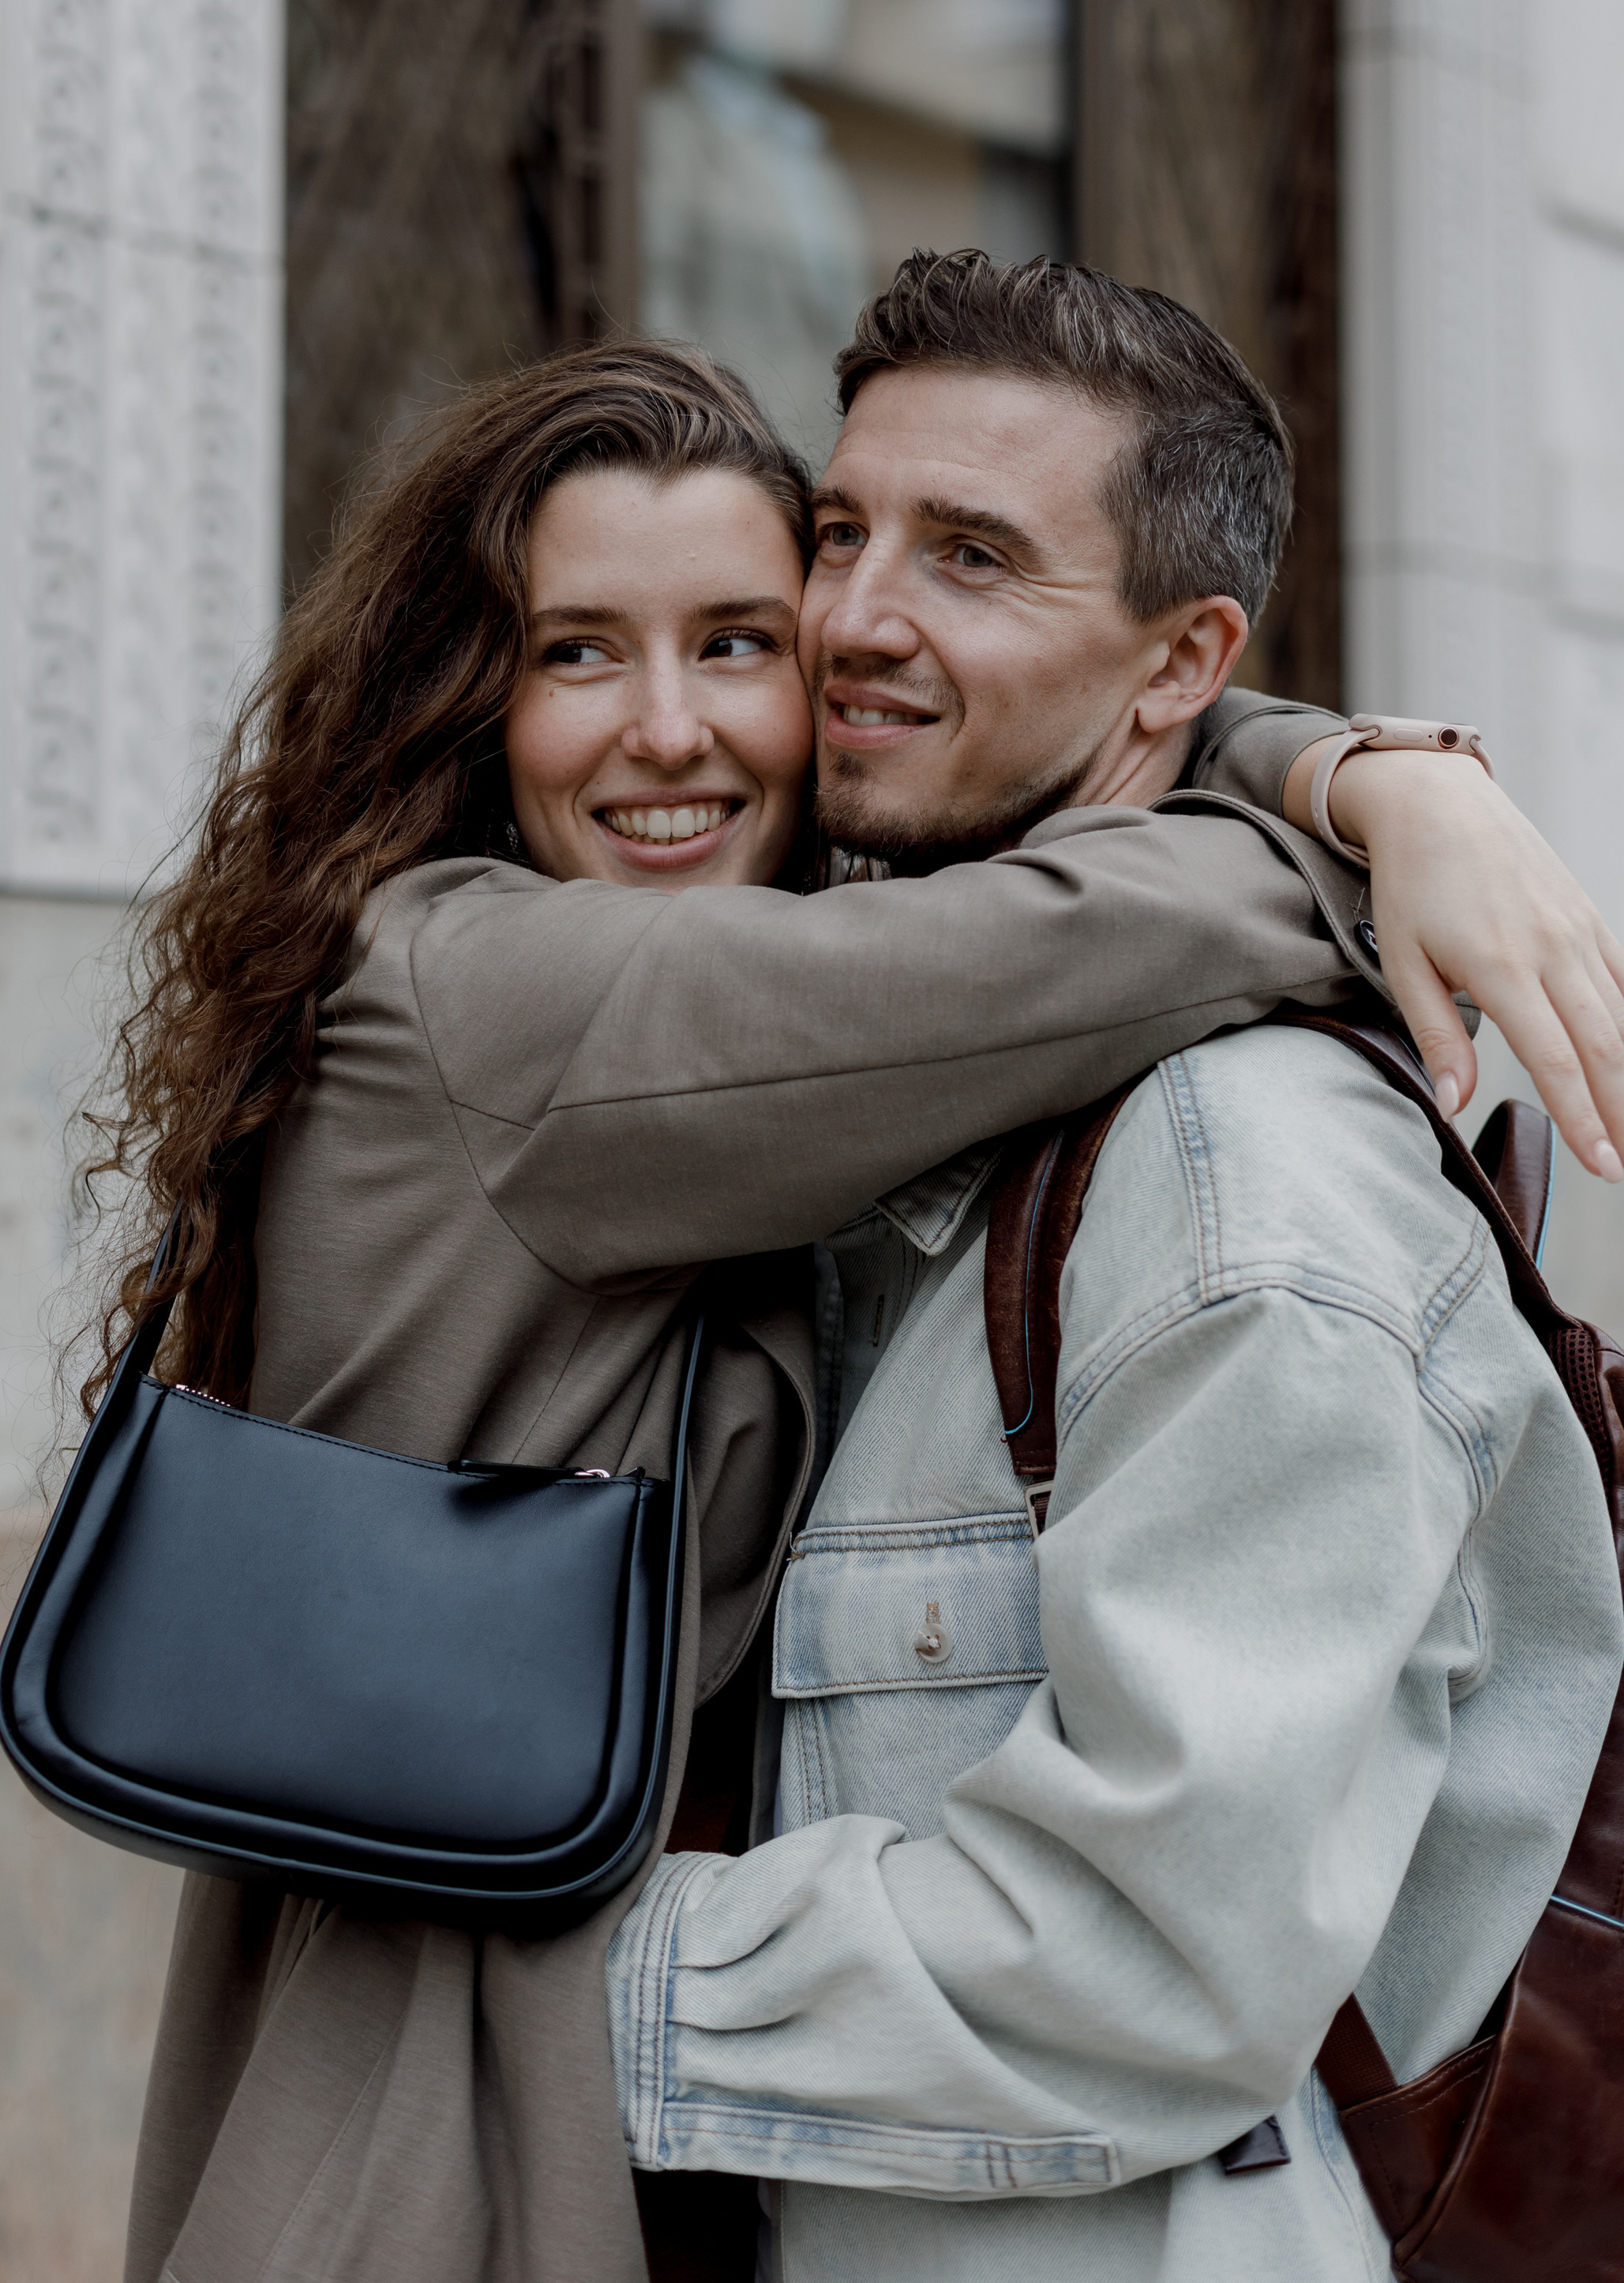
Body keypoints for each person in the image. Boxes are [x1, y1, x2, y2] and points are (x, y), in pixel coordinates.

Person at [93, 314, 1624, 2283]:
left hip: (593, 2115)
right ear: (469, 701)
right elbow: (1086, 911)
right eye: (575, 653)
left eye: (741, 636)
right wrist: (1380, 806)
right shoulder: (506, 997)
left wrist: (1311, 758)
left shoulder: (810, 1017)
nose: (676, 727)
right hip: (420, 2130)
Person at [603, 253, 1624, 2282]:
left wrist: (535, 1984)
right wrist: (1345, 768)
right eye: (838, 530)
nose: (848, 616)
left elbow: (1141, 1959)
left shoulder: (1239, 1194)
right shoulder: (907, 1064)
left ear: (1179, 669)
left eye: (970, 556)